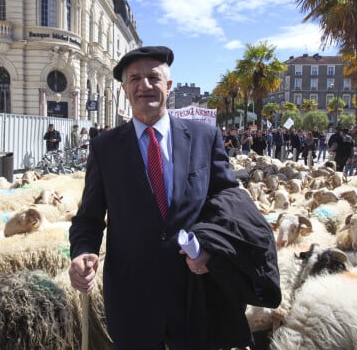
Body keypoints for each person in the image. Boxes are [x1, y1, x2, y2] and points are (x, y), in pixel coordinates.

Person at [68, 45, 281, 349]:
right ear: (125, 90)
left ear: (168, 86)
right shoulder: (105, 148)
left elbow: (227, 202)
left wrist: (210, 248)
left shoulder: (204, 137)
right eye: (134, 79)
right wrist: (81, 251)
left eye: (153, 77)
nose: (144, 85)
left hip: (196, 294)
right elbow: (88, 219)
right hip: (133, 300)